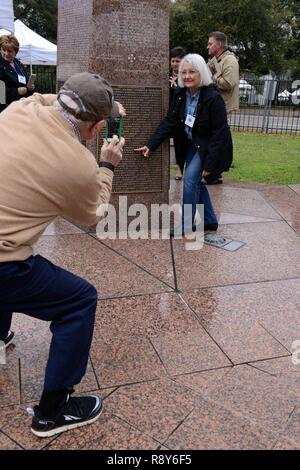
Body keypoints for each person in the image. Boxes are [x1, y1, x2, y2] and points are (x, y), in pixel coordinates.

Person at [0, 72, 125, 437]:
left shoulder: (18, 109)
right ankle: (52, 412)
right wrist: (107, 165)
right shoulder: (77, 165)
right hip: (4, 263)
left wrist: (101, 107)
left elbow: (52, 100)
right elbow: (93, 214)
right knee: (79, 300)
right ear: (97, 127)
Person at [135, 54, 232, 236]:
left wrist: (210, 164)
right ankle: (210, 220)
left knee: (189, 182)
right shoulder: (180, 94)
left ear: (201, 73)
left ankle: (187, 224)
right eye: (184, 72)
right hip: (188, 143)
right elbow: (170, 121)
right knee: (195, 182)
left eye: (192, 72)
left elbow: (220, 133)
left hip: (206, 147)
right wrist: (151, 144)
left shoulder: (213, 98)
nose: (187, 76)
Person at [206, 31, 239, 184]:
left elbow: (228, 83)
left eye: (210, 43)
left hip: (222, 104)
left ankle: (216, 170)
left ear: (218, 45)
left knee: (219, 138)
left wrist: (211, 75)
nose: (208, 46)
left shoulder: (230, 60)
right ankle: (213, 171)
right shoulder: (215, 59)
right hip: (212, 103)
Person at [0, 34, 35, 112]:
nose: (6, 53)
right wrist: (16, 91)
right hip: (6, 109)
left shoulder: (18, 64)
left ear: (15, 52)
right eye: (3, 50)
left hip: (21, 106)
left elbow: (24, 81)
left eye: (9, 51)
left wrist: (30, 87)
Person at [169, 46, 186, 181]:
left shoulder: (186, 76)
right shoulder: (166, 75)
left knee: (179, 143)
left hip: (180, 115)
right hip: (168, 113)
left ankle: (179, 168)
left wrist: (177, 88)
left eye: (177, 61)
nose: (175, 64)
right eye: (173, 61)